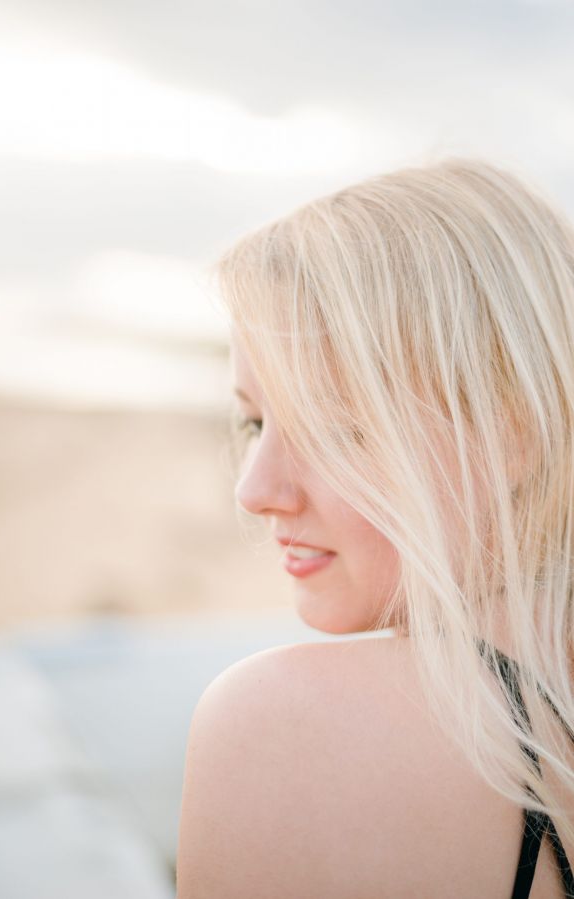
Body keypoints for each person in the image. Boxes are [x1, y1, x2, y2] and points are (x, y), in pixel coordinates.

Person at [175, 158, 574, 898]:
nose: (255, 492)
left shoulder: (282, 728)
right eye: (255, 424)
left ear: (515, 435)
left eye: (332, 430)